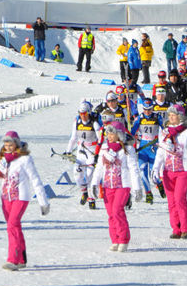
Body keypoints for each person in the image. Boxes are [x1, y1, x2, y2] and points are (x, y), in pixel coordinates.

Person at [0, 131, 50, 270]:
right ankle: (21, 259)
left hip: (20, 197)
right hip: (6, 198)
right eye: (6, 144)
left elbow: (35, 179)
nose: (8, 147)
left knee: (12, 226)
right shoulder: (2, 161)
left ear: (16, 144)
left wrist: (43, 201)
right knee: (14, 227)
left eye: (10, 144)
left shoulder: (25, 159)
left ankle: (12, 260)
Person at [90, 121, 142, 251]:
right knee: (111, 214)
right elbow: (99, 168)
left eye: (112, 133)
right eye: (108, 133)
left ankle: (123, 239)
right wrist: (94, 184)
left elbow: (133, 169)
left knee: (117, 210)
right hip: (108, 185)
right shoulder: (104, 148)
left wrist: (137, 187)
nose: (109, 136)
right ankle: (115, 239)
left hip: (122, 185)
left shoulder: (127, 149)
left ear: (119, 134)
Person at [151, 104, 187, 239]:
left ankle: (185, 228)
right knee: (171, 201)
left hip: (183, 171)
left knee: (180, 199)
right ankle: (176, 228)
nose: (172, 118)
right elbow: (161, 152)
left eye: (174, 115)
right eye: (170, 115)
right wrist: (156, 168)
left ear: (181, 117)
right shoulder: (164, 132)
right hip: (168, 171)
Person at [66, 101, 102, 208]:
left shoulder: (94, 123)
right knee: (77, 175)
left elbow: (100, 138)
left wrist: (97, 154)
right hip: (81, 151)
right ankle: (84, 192)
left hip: (92, 151)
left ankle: (91, 198)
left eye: (85, 114)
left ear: (89, 113)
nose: (83, 116)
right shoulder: (77, 122)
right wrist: (68, 151)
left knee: (90, 175)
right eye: (81, 114)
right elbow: (73, 138)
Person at [130, 99, 162, 204]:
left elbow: (165, 129)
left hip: (153, 147)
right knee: (142, 172)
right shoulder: (140, 118)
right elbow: (132, 132)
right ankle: (148, 193)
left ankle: (159, 184)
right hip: (143, 147)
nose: (147, 112)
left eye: (149, 109)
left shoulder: (157, 117)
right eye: (145, 109)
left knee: (153, 175)